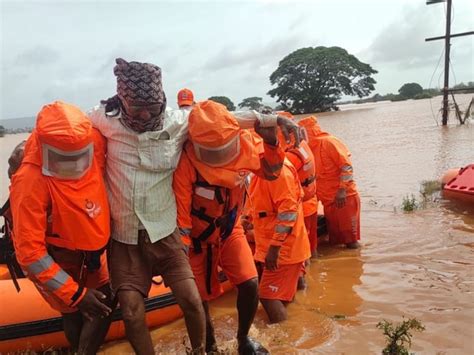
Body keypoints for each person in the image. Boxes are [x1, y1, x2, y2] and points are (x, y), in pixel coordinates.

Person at [88, 58, 300, 354]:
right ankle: (210, 346)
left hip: (192, 231)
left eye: (153, 105)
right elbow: (69, 132)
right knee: (151, 308)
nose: (147, 113)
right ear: (122, 101)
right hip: (141, 235)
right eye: (138, 107)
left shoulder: (179, 122)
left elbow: (227, 120)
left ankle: (235, 342)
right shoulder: (103, 119)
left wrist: (275, 121)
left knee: (230, 288)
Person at [173, 100, 291, 354]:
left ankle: (243, 339)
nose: (219, 158)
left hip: (229, 231)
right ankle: (210, 344)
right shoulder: (186, 162)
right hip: (197, 241)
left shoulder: (245, 144)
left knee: (250, 284)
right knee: (198, 300)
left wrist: (271, 143)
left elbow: (271, 172)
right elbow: (182, 217)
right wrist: (180, 256)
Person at [9, 101, 113, 354]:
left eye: (79, 156)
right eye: (65, 158)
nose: (74, 164)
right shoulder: (30, 181)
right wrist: (75, 293)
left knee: (103, 306)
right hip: (57, 259)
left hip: (92, 253)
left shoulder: (94, 142)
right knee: (76, 311)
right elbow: (31, 253)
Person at [248, 154, 311, 323]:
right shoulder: (262, 172)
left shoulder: (278, 173)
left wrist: (274, 249)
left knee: (267, 296)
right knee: (279, 296)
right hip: (277, 244)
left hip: (283, 249)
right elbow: (260, 204)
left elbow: (288, 212)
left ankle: (284, 338)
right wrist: (247, 220)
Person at [298, 116, 361, 249]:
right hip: (327, 200)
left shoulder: (329, 142)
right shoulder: (306, 149)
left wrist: (342, 190)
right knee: (336, 240)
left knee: (351, 241)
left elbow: (346, 166)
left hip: (343, 198)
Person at [277, 111, 318, 258]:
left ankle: (307, 277)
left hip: (301, 208)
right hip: (311, 202)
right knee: (312, 248)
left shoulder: (290, 155)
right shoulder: (303, 145)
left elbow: (278, 181)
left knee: (301, 252)